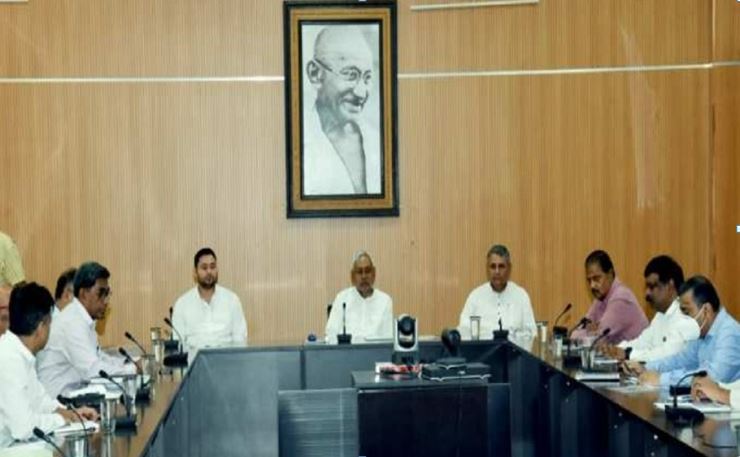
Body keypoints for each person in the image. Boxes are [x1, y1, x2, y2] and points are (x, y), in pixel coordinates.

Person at [0, 283, 97, 448]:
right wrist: (62, 419)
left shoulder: (20, 353)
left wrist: (71, 414)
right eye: (49, 324)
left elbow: (41, 401)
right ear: (41, 327)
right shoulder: (9, 358)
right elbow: (23, 428)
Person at [37, 262, 139, 398]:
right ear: (83, 294)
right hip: (58, 401)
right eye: (101, 293)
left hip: (75, 394)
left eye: (107, 293)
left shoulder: (83, 319)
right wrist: (131, 370)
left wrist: (128, 363)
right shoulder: (71, 322)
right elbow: (93, 370)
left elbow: (99, 358)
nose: (105, 300)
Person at [303, 25, 381, 196]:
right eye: (351, 75)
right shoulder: (298, 140)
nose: (361, 93)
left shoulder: (377, 141)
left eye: (367, 78)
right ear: (315, 74)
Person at [633, 276, 740, 387]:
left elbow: (711, 379)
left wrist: (661, 379)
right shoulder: (701, 332)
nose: (683, 319)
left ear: (706, 310)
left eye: (687, 312)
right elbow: (681, 360)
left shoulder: (729, 334)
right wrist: (646, 367)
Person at [604, 256, 699, 362]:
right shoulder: (660, 316)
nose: (647, 293)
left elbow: (666, 356)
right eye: (647, 287)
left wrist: (628, 354)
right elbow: (642, 343)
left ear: (670, 286)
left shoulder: (684, 316)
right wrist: (616, 349)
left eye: (652, 287)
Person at [171, 248, 247, 354]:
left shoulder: (232, 300)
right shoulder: (182, 304)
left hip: (226, 360)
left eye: (212, 266)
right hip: (194, 362)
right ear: (195, 272)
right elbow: (178, 343)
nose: (209, 271)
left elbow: (240, 340)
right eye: (204, 267)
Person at [458, 244, 536, 340]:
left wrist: (515, 336)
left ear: (509, 268)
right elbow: (463, 331)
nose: (497, 271)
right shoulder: (475, 296)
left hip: (513, 348)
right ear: (487, 269)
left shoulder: (521, 296)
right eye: (493, 266)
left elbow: (532, 332)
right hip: (484, 348)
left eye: (501, 266)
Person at [571, 250, 648, 345]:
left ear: (610, 274)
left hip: (639, 354)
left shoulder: (621, 298)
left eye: (596, 278)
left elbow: (596, 340)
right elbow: (575, 334)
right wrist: (590, 330)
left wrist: (593, 330)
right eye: (589, 280)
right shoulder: (601, 298)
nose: (592, 285)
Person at [325, 251, 393, 343]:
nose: (364, 276)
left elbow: (388, 338)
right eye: (359, 272)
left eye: (367, 271)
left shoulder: (385, 301)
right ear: (352, 276)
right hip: (347, 351)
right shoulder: (342, 299)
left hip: (375, 352)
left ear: (374, 274)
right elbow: (331, 334)